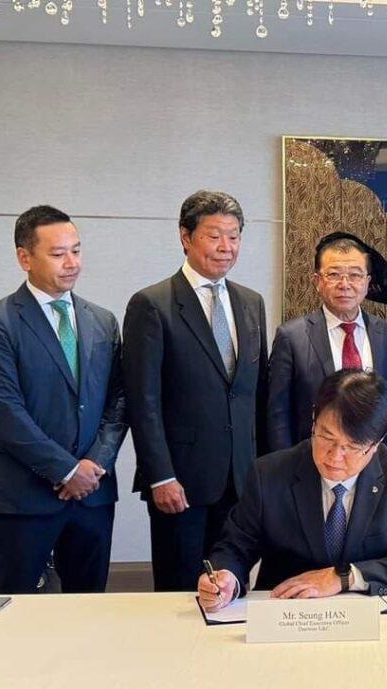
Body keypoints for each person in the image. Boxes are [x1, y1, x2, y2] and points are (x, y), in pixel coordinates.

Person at [0, 205, 126, 593]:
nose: (72, 263)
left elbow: (119, 400)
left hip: (93, 496)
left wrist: (95, 464)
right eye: (58, 254)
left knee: (88, 607)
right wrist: (67, 471)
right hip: (25, 497)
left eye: (76, 250)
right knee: (14, 611)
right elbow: (6, 415)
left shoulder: (102, 320)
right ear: (25, 258)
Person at [123, 190, 268, 592]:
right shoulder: (152, 304)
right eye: (214, 235)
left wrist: (263, 472)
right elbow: (143, 401)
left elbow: (256, 393)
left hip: (239, 480)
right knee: (180, 591)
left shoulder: (251, 303)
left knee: (231, 586)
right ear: (185, 237)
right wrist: (160, 476)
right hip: (181, 481)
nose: (226, 247)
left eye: (234, 236)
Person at [198, 370, 387, 608]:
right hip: (285, 612)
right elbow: (235, 548)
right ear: (314, 419)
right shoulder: (269, 474)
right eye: (326, 437)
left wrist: (345, 577)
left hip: (366, 617)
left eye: (352, 447)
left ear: (376, 444)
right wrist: (226, 578)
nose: (335, 456)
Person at [267, 233, 387, 451]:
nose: (345, 284)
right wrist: (285, 464)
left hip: (377, 460)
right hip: (314, 459)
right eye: (334, 274)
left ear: (367, 282)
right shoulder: (291, 337)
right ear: (317, 281)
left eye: (355, 275)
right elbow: (278, 415)